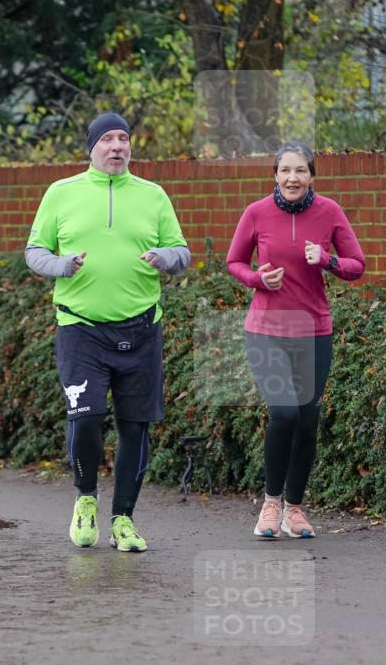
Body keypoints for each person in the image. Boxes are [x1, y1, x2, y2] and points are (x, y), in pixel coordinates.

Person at [25, 112, 190, 551]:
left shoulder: (153, 196)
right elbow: (34, 251)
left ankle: (124, 520)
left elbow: (183, 252)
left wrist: (165, 257)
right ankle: (85, 500)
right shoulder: (62, 193)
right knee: (88, 417)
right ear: (92, 147)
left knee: (136, 426)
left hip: (141, 328)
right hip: (80, 328)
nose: (117, 146)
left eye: (124, 139)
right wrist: (61, 265)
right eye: (108, 140)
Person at [226, 141, 365, 538]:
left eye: (301, 170)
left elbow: (357, 266)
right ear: (274, 175)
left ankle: (295, 509)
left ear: (311, 176)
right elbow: (234, 261)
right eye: (285, 170)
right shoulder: (256, 213)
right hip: (266, 329)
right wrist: (257, 278)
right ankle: (270, 505)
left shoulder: (330, 212)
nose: (292, 178)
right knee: (285, 413)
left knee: (307, 421)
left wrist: (326, 259)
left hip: (314, 330)